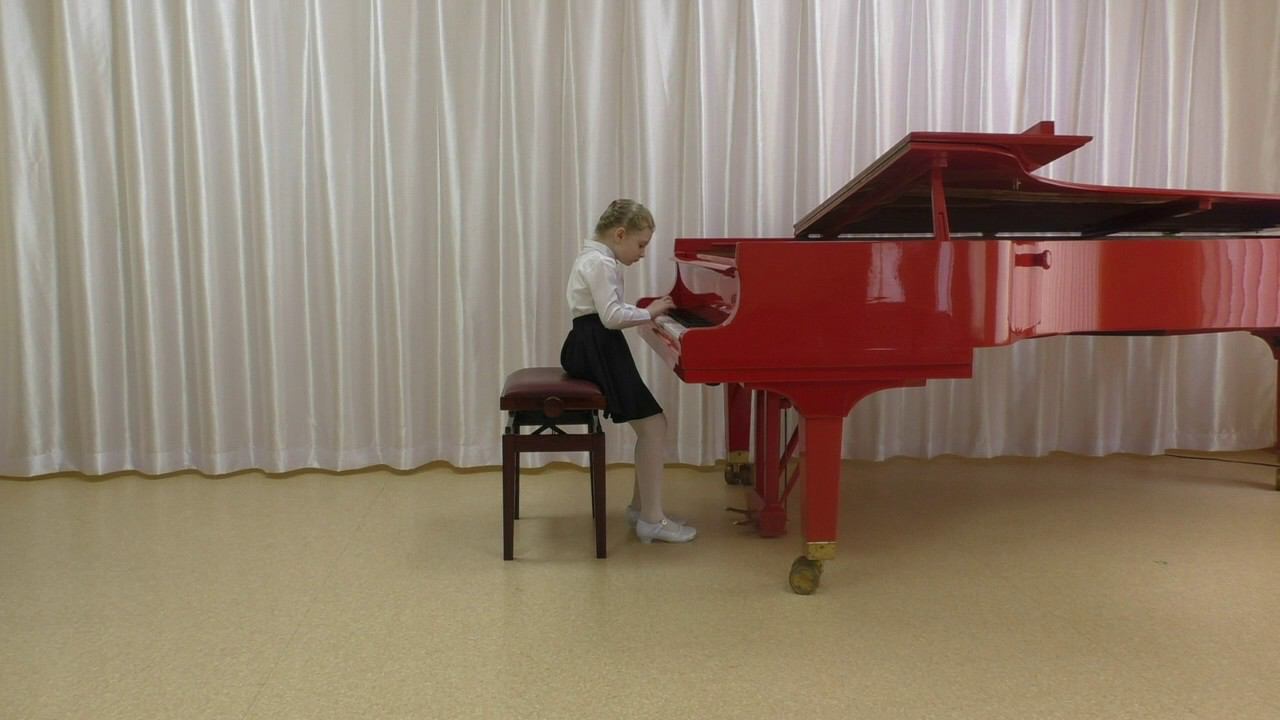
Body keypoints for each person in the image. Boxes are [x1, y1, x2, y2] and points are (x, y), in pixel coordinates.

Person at [560, 199, 696, 544]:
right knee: (654, 425)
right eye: (641, 244)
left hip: (593, 345)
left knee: (652, 425)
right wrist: (650, 312)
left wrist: (646, 312)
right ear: (620, 234)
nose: (643, 254)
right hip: (598, 348)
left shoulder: (593, 258)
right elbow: (611, 317)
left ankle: (642, 509)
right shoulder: (600, 262)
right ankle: (651, 519)